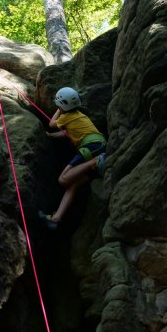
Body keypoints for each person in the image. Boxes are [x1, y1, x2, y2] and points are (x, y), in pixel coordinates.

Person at [38, 87, 106, 230]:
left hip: (91, 148)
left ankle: (97, 161)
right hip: (98, 145)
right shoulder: (78, 115)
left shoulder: (66, 117)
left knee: (63, 180)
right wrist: (51, 137)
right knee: (72, 184)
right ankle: (55, 219)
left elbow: (51, 124)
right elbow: (67, 134)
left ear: (60, 104)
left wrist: (59, 108)